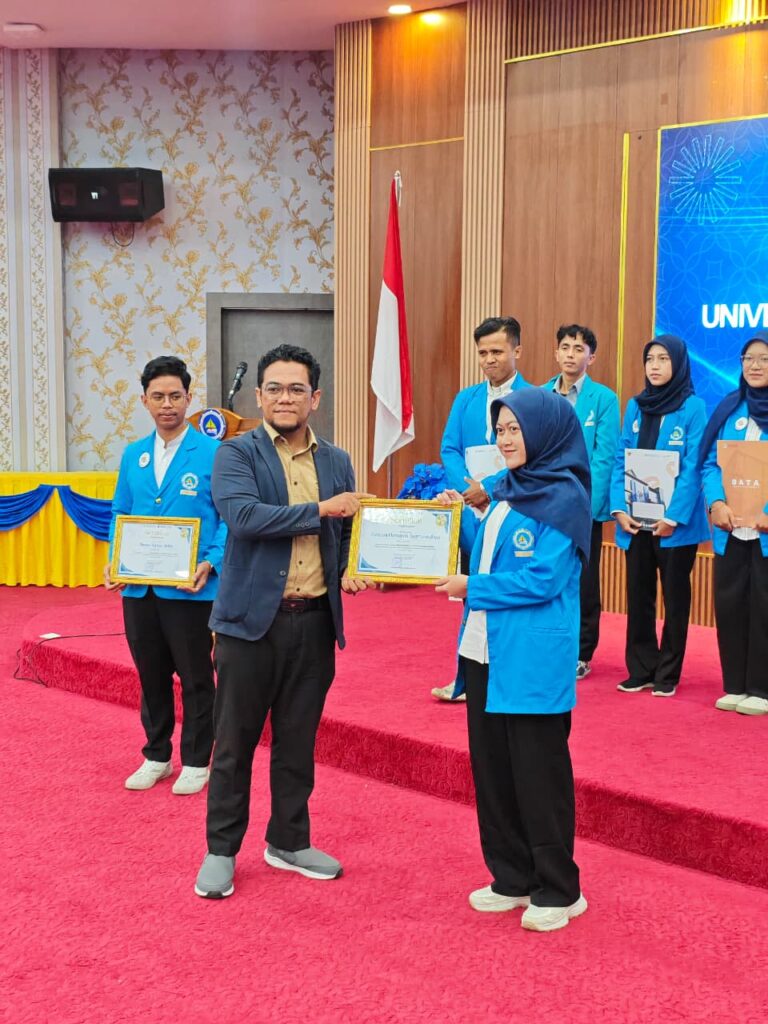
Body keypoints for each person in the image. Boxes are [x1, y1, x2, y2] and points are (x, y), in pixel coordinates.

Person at [194, 344, 373, 900]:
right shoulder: (235, 453)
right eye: (274, 388)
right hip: (250, 625)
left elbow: (345, 534)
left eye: (297, 389)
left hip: (314, 622)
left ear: (315, 398)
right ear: (259, 396)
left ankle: (289, 841)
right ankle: (221, 850)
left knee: (298, 742)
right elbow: (244, 518)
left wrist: (352, 569)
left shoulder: (336, 461)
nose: (285, 398)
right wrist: (322, 509)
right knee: (234, 744)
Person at [435, 388, 591, 932]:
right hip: (483, 648)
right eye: (500, 430)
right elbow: (488, 550)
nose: (504, 440)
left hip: (532, 655)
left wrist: (470, 587)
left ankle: (559, 888)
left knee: (538, 774)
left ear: (545, 432)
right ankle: (512, 876)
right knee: (494, 769)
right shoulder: (504, 487)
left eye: (514, 429)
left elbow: (542, 578)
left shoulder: (564, 497)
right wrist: (453, 517)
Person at [105, 356, 227, 795]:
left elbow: (227, 518)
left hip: (191, 587)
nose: (167, 404)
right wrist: (116, 558)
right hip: (140, 589)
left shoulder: (214, 453)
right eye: (158, 396)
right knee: (150, 675)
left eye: (175, 395)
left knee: (196, 677)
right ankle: (156, 755)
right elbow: (121, 511)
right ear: (144, 401)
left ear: (189, 398)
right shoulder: (133, 454)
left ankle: (196, 760)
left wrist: (211, 561)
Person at [432, 316, 531, 702]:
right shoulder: (466, 399)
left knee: (502, 593)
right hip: (471, 515)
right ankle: (465, 680)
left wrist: (487, 488)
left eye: (497, 351)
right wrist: (468, 490)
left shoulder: (533, 398)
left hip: (514, 513)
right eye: (483, 352)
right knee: (472, 592)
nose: (489, 359)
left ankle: (504, 678)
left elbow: (535, 456)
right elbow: (449, 449)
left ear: (516, 351)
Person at [609, 335, 709, 697]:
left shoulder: (693, 407)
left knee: (675, 599)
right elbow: (621, 457)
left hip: (675, 527)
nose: (654, 365)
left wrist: (673, 517)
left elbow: (694, 465)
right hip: (635, 522)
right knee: (638, 596)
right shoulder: (636, 406)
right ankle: (641, 669)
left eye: (663, 359)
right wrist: (619, 509)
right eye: (650, 358)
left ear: (678, 364)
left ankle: (667, 674)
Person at [545, 324, 620, 679]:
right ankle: (549, 644)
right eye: (565, 347)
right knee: (546, 573)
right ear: (556, 352)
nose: (571, 354)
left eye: (579, 349)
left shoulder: (604, 399)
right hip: (545, 504)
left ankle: (582, 652)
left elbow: (604, 458)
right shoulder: (540, 395)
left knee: (584, 582)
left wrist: (589, 507)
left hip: (582, 507)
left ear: (592, 357)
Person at [700, 331, 768, 716]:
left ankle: (762, 687)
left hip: (765, 531)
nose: (755, 366)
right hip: (730, 529)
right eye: (748, 359)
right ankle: (736, 684)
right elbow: (710, 463)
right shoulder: (730, 408)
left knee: (764, 604)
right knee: (730, 603)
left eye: (764, 359)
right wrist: (716, 502)